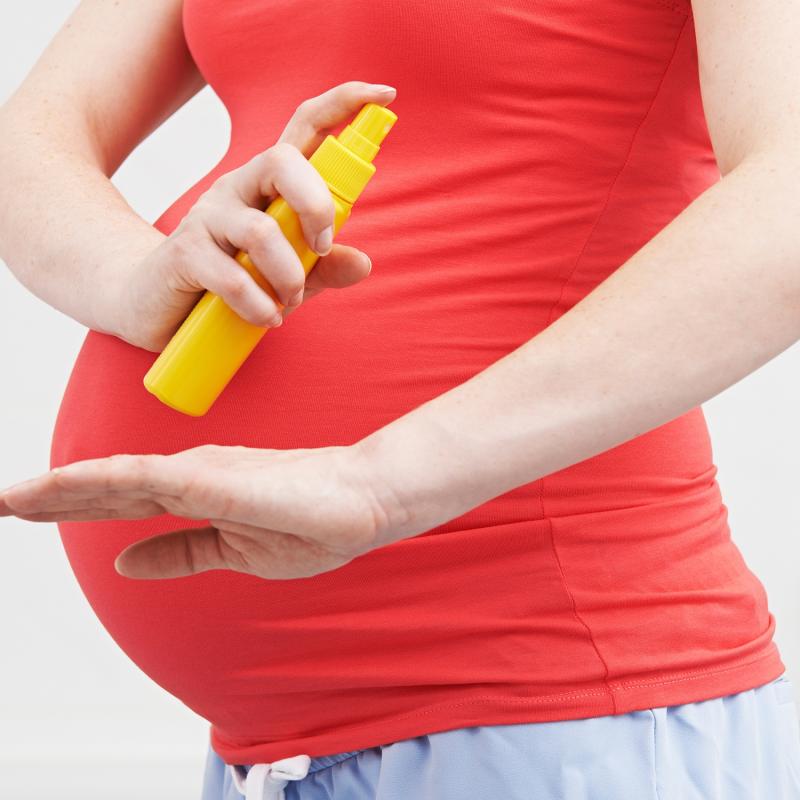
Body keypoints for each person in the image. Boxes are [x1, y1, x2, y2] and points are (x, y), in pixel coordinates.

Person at [1, 0, 799, 797]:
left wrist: (379, 483)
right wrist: (138, 278)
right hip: (277, 755)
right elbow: (31, 137)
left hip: (553, 708)